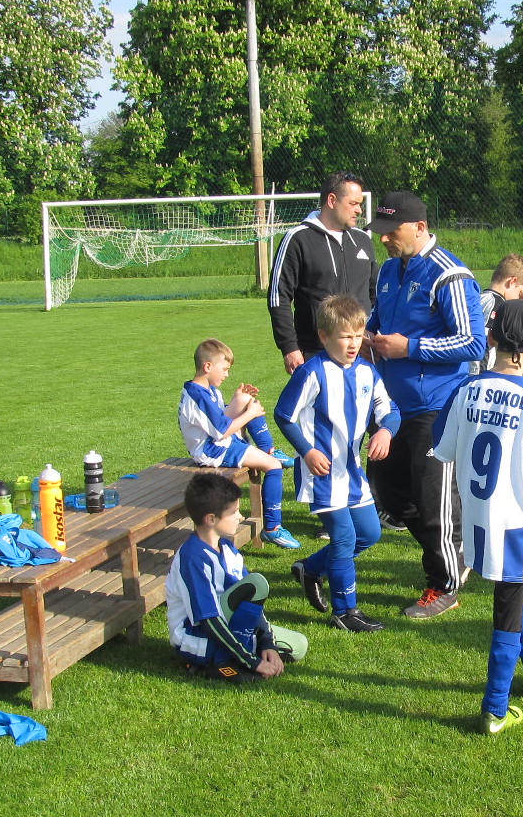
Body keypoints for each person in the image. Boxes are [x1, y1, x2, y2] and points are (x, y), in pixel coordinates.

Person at [433, 299, 523, 734]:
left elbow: (444, 449)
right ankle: (495, 708)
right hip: (515, 523)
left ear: (490, 338)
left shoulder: (465, 390)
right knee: (508, 606)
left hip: (476, 519)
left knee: (514, 589)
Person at [365, 190, 487, 618]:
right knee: (388, 494)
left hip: (437, 405)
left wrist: (409, 348)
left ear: (419, 227)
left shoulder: (449, 275)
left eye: (390, 231)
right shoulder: (388, 270)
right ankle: (457, 551)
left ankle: (445, 583)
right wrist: (364, 337)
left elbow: (472, 342)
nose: (383, 239)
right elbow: (379, 320)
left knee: (434, 500)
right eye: (380, 231)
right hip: (391, 407)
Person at [274, 295, 400, 633]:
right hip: (322, 472)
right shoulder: (312, 372)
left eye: (358, 335)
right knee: (344, 537)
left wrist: (385, 431)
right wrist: (307, 451)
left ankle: (311, 569)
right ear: (324, 336)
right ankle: (345, 611)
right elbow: (284, 415)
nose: (353, 344)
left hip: (352, 471)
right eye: (345, 337)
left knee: (369, 533)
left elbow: (390, 410)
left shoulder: (367, 372)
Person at [167, 472, 308, 681]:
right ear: (211, 519)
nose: (240, 517)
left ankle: (242, 652)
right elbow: (209, 619)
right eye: (233, 512)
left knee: (298, 646)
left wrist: (267, 643)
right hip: (198, 635)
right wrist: (252, 662)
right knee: (256, 584)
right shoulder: (192, 557)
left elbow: (252, 603)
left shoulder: (227, 548)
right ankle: (221, 662)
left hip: (231, 624)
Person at [177, 337, 300, 550]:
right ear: (208, 367)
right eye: (224, 369)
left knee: (247, 401)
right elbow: (221, 431)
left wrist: (238, 401)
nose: (227, 374)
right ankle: (272, 528)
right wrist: (249, 413)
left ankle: (270, 450)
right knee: (273, 467)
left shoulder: (205, 389)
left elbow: (220, 419)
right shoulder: (198, 396)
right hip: (212, 451)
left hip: (217, 441)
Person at [268, 171, 377, 375]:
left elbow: (374, 292)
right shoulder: (298, 239)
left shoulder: (362, 240)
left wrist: (369, 333)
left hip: (360, 353)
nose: (359, 210)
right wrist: (289, 347)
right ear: (332, 200)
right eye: (353, 203)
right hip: (315, 353)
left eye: (360, 204)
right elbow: (278, 297)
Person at [472, 253, 523, 374]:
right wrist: (482, 375)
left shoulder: (478, 299)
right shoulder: (498, 305)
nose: (520, 299)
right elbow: (483, 341)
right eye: (520, 293)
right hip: (481, 374)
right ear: (512, 281)